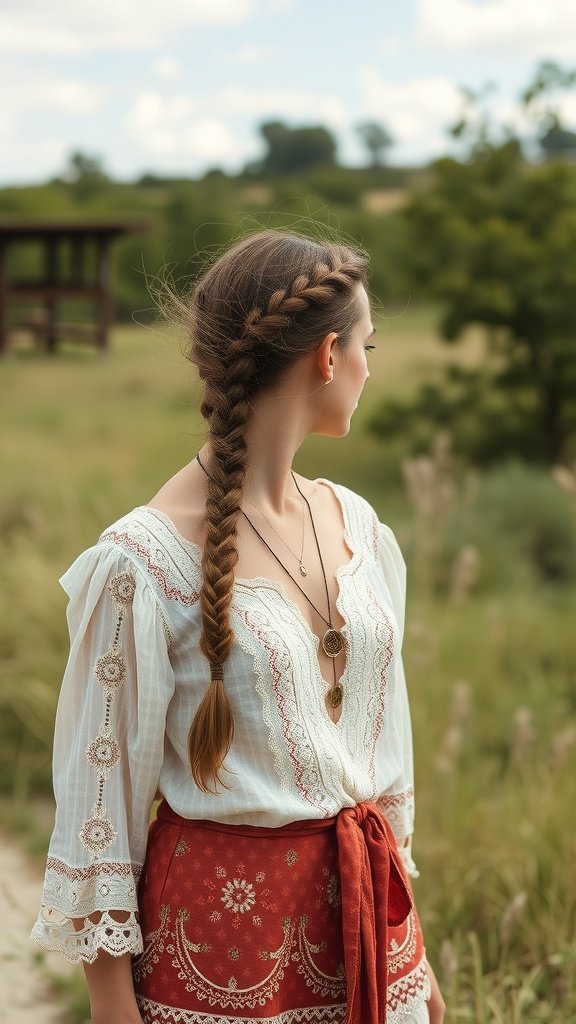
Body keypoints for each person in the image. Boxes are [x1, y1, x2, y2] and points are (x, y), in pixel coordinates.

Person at [32, 229, 445, 1024]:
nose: (368, 367)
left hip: (369, 946)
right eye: (368, 346)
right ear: (329, 356)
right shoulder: (141, 563)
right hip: (219, 969)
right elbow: (99, 824)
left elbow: (382, 769)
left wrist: (410, 963)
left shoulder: (358, 527)